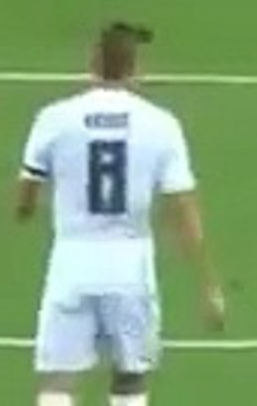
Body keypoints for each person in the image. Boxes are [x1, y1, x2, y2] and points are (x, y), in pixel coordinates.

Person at [16, 22, 226, 406]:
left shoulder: (54, 119)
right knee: (130, 379)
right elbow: (183, 210)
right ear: (136, 68)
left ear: (92, 63)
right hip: (130, 264)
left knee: (58, 380)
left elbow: (25, 200)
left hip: (72, 260)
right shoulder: (161, 124)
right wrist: (208, 284)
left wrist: (37, 206)